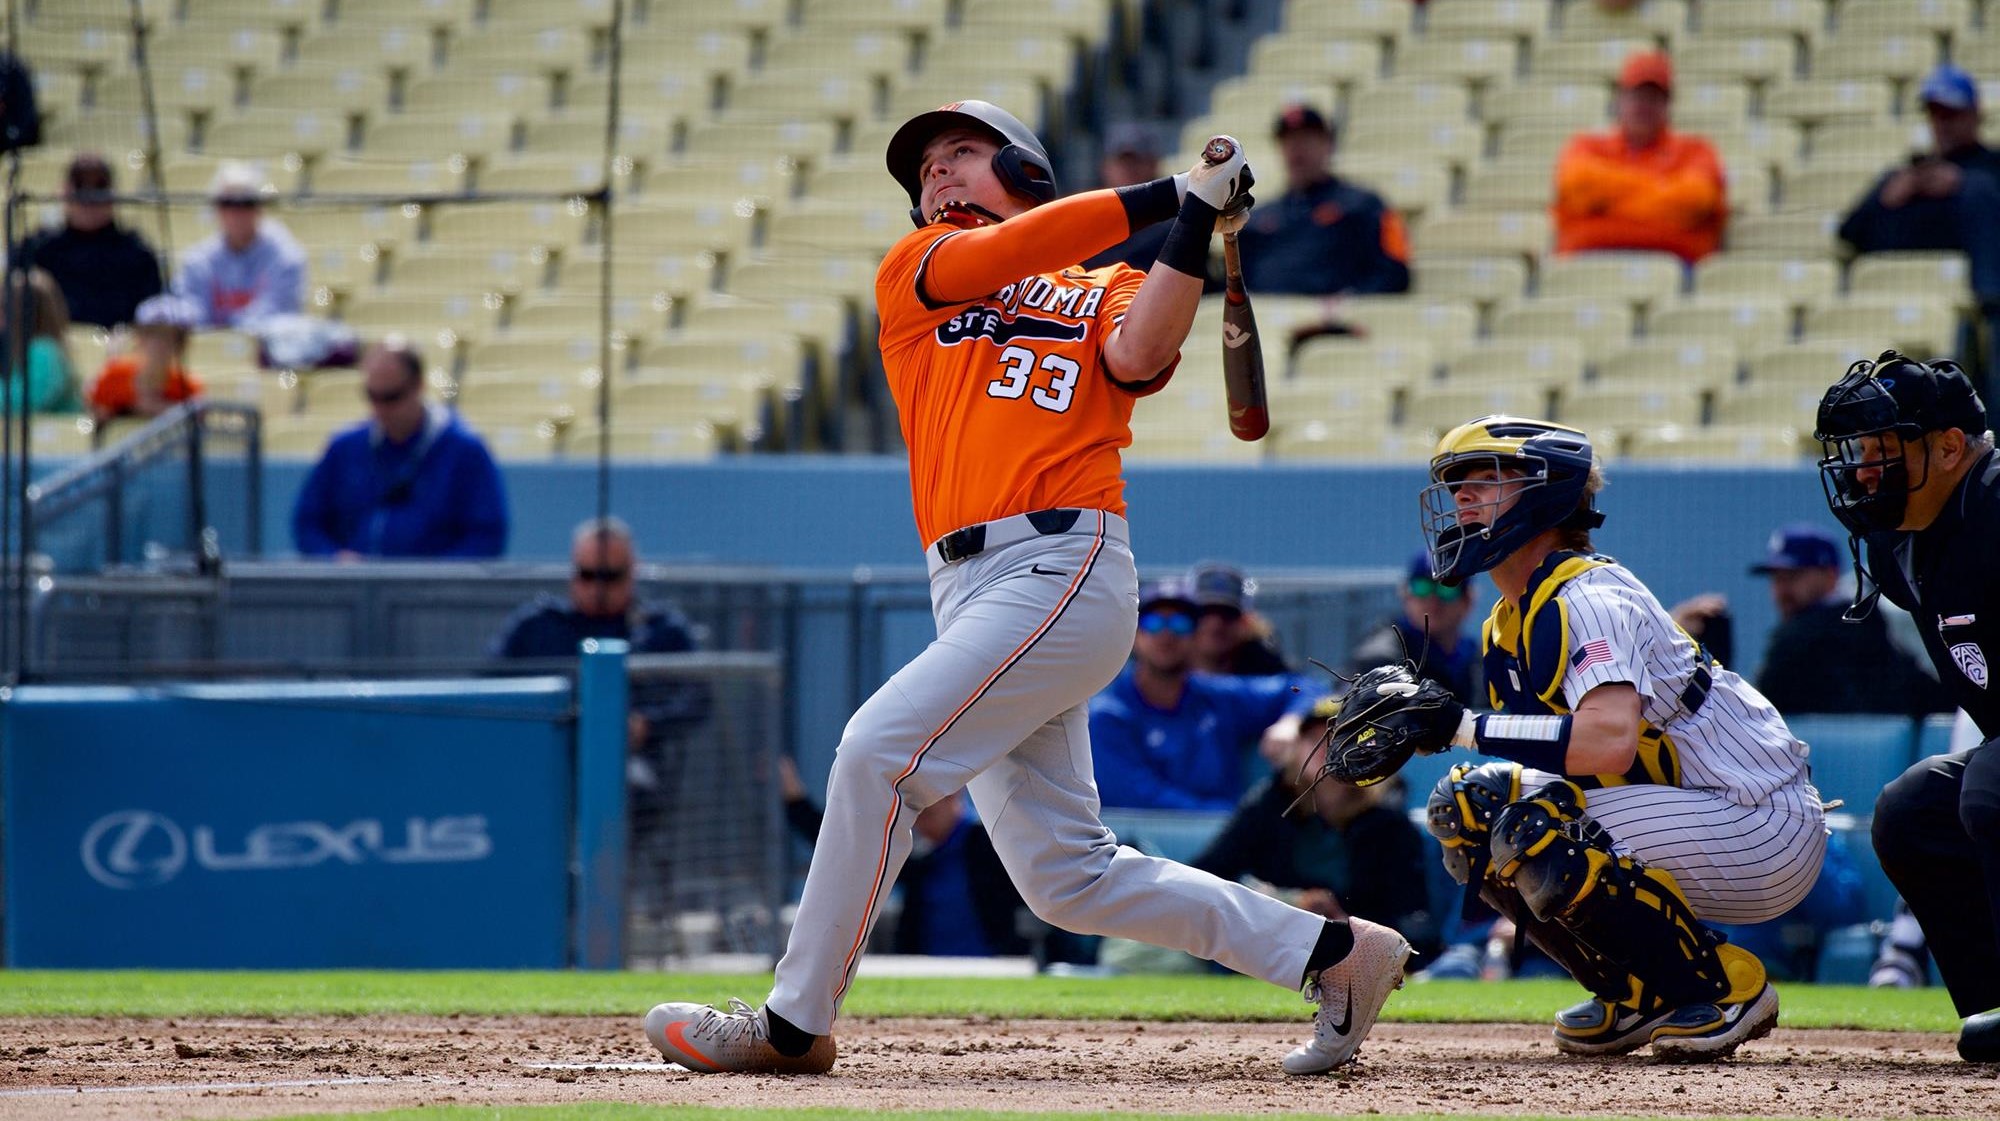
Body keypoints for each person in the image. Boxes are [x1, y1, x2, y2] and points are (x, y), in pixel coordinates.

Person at [643, 98, 1412, 1078]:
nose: (937, 177)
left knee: (874, 754)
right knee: (1064, 875)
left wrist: (1184, 228)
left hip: (1061, 562)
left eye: (961, 155)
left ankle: (791, 1024)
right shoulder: (913, 271)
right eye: (925, 169)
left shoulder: (1097, 286)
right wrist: (1171, 194)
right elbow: (1000, 257)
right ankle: (1334, 954)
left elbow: (1138, 353)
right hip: (969, 584)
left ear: (1025, 172)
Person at [1352, 415, 1825, 1060]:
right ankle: (1639, 991)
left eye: (1485, 479)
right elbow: (1564, 756)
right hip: (1683, 806)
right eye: (1455, 482)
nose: (1461, 496)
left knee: (1532, 822)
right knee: (1466, 805)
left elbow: (1607, 745)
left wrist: (1458, 725)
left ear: (1549, 494)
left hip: (1756, 819)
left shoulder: (1589, 594)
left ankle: (1721, 988)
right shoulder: (1506, 621)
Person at [1813, 350, 2000, 1062]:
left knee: (1990, 784)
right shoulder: (1900, 544)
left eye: (1885, 450)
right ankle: (1993, 999)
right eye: (1861, 450)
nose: (1864, 469)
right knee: (1913, 810)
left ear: (1951, 446)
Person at [1196, 695, 1443, 962]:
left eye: (1339, 738)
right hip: (1268, 949)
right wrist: (1282, 901)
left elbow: (1416, 923)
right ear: (1298, 747)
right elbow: (1206, 878)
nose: (1325, 749)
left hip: (1356, 957)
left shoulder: (1389, 822)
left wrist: (1349, 929)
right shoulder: (1268, 805)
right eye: (1314, 739)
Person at [1836, 66, 2000, 389]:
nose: (1942, 125)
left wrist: (1961, 184)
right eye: (1935, 115)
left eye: (1951, 114)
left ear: (1974, 115)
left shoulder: (1990, 168)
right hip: (1913, 304)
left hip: (1983, 306)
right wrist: (1888, 197)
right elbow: (1849, 232)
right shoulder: (1913, 173)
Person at [1087, 578, 1313, 811]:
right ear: (1133, 635)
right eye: (1153, 622)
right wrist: (1233, 818)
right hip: (1142, 844)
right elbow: (1138, 799)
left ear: (1196, 636)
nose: (1166, 634)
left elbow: (1306, 689)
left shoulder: (1216, 696)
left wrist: (1291, 722)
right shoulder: (1107, 716)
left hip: (1229, 843)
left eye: (1180, 624)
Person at [291, 336, 507, 559]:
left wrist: (431, 579)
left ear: (419, 387)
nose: (380, 408)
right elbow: (308, 524)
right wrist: (334, 559)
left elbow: (486, 538)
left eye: (391, 397)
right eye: (372, 396)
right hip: (354, 589)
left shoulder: (465, 450)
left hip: (436, 591)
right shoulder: (344, 447)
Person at [1749, 522, 1952, 717]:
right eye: (1776, 578)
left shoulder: (1809, 634)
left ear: (1830, 575)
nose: (1782, 590)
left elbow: (1757, 710)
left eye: (1793, 576)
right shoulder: (1867, 617)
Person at [1552, 50, 1726, 265]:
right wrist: (1660, 191)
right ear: (1619, 99)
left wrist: (1608, 203)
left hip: (1671, 264)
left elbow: (1693, 200)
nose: (1644, 105)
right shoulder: (1587, 145)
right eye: (1637, 95)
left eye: (1653, 97)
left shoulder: (1696, 150)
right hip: (1589, 262)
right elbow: (1578, 183)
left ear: (1668, 104)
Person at [1234, 104, 1411, 297]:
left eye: (1307, 139)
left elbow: (1394, 269)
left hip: (1334, 321)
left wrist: (1351, 304)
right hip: (1262, 320)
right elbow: (1232, 284)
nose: (1297, 149)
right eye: (1289, 140)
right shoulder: (1258, 219)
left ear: (1329, 145)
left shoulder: (1362, 205)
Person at [16, 153, 164, 328]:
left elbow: (151, 321)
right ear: (64, 191)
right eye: (80, 185)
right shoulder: (37, 250)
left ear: (113, 193)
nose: (89, 196)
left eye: (99, 186)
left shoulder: (137, 254)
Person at [172, 161, 306, 330]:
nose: (236, 213)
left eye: (246, 203)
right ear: (216, 209)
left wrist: (229, 333)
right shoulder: (198, 260)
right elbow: (190, 313)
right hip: (210, 354)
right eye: (227, 203)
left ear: (260, 208)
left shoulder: (285, 256)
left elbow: (278, 314)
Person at [1347, 550, 1479, 706]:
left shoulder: (1480, 659)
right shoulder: (1381, 658)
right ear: (1405, 595)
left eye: (1447, 589)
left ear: (1468, 600)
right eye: (1422, 587)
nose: (1433, 600)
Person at [87, 293, 204, 422]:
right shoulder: (113, 376)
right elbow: (92, 416)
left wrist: (156, 407)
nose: (161, 345)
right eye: (153, 335)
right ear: (139, 337)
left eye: (173, 338)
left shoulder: (188, 386)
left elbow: (198, 418)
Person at [1081, 123, 1171, 273]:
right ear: (1105, 167)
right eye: (1121, 162)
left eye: (1136, 161)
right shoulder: (1088, 223)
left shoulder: (1173, 223)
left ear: (1153, 165)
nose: (1129, 169)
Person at [1187, 559, 1289, 674]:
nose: (1215, 624)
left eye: (1228, 614)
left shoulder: (1269, 680)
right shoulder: (1166, 674)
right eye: (1205, 612)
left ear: (1245, 623)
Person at [1, 267, 81, 414]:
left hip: (54, 436)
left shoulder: (45, 352)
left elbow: (22, 402)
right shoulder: (22, 349)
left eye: (4, 307)